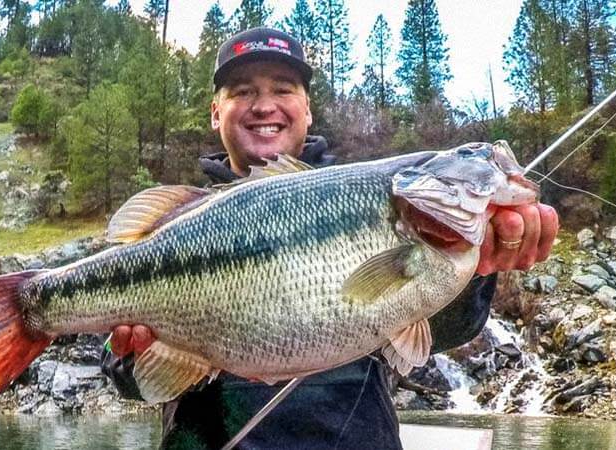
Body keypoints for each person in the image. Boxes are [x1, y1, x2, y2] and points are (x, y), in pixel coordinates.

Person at [100, 27, 560, 449]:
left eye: (283, 89)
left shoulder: (371, 202)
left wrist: (479, 266)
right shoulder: (171, 229)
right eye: (243, 91)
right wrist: (133, 356)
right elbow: (125, 380)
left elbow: (442, 333)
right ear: (216, 111)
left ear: (307, 109)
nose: (264, 105)